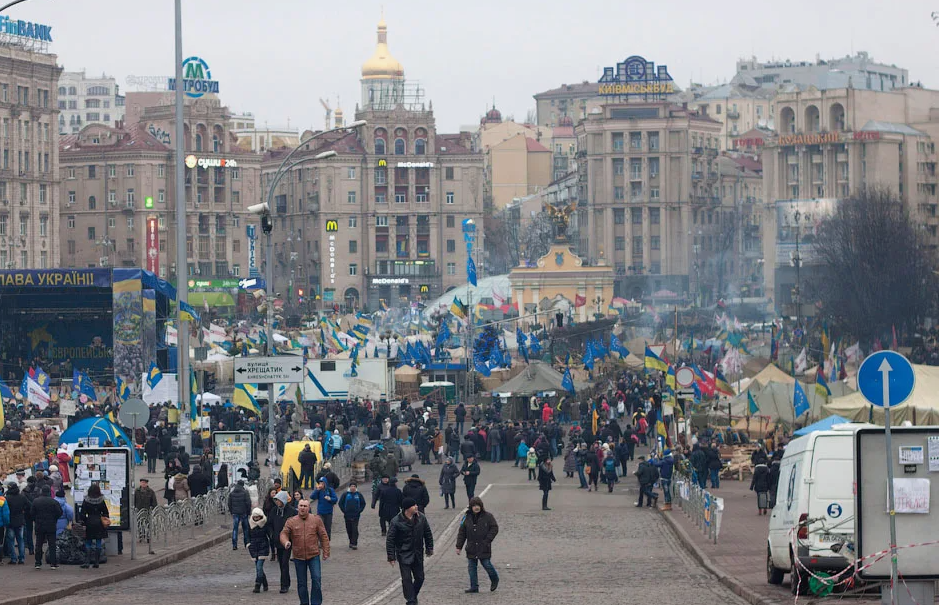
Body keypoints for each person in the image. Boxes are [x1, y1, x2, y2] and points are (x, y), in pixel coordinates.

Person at [280, 499, 330, 605]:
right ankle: (304, 602)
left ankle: (316, 603)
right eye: (301, 506)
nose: (302, 508)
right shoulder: (291, 521)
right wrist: (286, 542)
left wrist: (326, 551)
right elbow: (283, 533)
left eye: (305, 506)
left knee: (316, 579)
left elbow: (323, 536)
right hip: (299, 557)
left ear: (309, 508)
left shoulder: (316, 520)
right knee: (302, 583)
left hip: (313, 555)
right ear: (298, 507)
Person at [386, 497, 434, 605]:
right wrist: (391, 556)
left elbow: (428, 534)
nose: (416, 507)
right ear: (407, 508)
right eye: (414, 505)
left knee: (420, 578)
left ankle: (412, 596)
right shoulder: (396, 521)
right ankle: (411, 600)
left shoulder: (421, 518)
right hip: (404, 554)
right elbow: (390, 540)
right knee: (407, 579)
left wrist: (429, 548)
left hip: (417, 553)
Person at [455, 496, 499, 593]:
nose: (476, 507)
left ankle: (495, 579)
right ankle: (474, 586)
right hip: (471, 547)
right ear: (471, 507)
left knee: (487, 565)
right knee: (472, 568)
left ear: (481, 506)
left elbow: (494, 528)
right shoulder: (466, 518)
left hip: (483, 546)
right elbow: (462, 533)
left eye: (478, 505)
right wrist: (459, 546)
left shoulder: (488, 516)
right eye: (474, 505)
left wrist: (487, 540)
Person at [269, 491, 296, 593]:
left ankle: (284, 585)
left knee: (285, 562)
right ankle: (286, 582)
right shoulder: (274, 511)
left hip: (288, 542)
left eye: (279, 500)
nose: (277, 502)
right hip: (277, 541)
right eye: (276, 500)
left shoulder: (292, 511)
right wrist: (272, 534)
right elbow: (269, 524)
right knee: (281, 563)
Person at [78, 483, 110, 569]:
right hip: (99, 522)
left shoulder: (86, 500)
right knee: (98, 542)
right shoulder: (101, 500)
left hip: (89, 522)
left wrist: (83, 522)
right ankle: (97, 562)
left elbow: (82, 514)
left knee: (88, 542)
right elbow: (106, 512)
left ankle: (87, 562)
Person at [31, 485, 62, 569]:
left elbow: (32, 513)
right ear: (49, 492)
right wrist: (54, 519)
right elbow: (59, 513)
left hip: (39, 525)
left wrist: (36, 520)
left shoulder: (36, 501)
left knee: (38, 544)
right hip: (51, 525)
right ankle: (53, 563)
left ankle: (38, 563)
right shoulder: (53, 501)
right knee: (52, 544)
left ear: (41, 491)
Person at [337, 481, 366, 550]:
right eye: (351, 486)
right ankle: (351, 541)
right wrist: (344, 511)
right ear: (349, 487)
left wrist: (359, 511)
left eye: (354, 486)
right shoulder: (345, 494)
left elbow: (363, 503)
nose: (353, 488)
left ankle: (354, 543)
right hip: (347, 515)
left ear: (356, 487)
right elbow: (340, 503)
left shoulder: (358, 495)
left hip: (356, 515)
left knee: (355, 529)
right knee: (349, 529)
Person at [247, 507, 270, 592]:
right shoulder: (249, 524)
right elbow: (247, 535)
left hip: (263, 546)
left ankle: (257, 585)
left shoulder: (265, 523)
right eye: (255, 517)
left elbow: (269, 534)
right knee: (258, 567)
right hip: (253, 547)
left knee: (259, 567)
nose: (256, 519)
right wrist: (248, 543)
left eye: (258, 517)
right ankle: (265, 583)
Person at [5, 482, 27, 564]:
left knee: (11, 541)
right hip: (20, 520)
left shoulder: (7, 498)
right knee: (20, 540)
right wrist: (23, 510)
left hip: (10, 521)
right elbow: (29, 505)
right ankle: (21, 558)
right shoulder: (22, 497)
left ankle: (13, 558)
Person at [228, 479, 252, 550]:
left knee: (235, 529)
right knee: (245, 529)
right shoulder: (245, 492)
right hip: (243, 512)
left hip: (235, 513)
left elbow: (229, 503)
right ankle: (247, 543)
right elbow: (248, 503)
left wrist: (231, 511)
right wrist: (248, 512)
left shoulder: (232, 493)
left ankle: (234, 544)